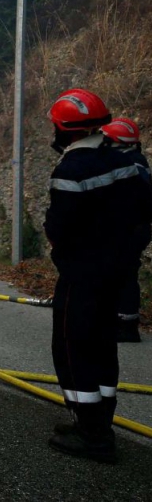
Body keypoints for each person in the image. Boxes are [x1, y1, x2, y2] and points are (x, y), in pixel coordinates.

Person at [45, 90, 152, 463]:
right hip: (116, 273)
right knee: (104, 346)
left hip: (82, 275)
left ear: (65, 130)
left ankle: (91, 435)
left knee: (72, 347)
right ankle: (98, 423)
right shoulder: (123, 161)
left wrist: (65, 253)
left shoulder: (71, 170)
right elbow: (142, 211)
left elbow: (58, 226)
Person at [100, 118, 152, 343]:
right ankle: (119, 320)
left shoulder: (129, 164)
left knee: (124, 273)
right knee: (121, 272)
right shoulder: (135, 161)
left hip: (129, 230)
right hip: (133, 228)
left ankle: (127, 325)